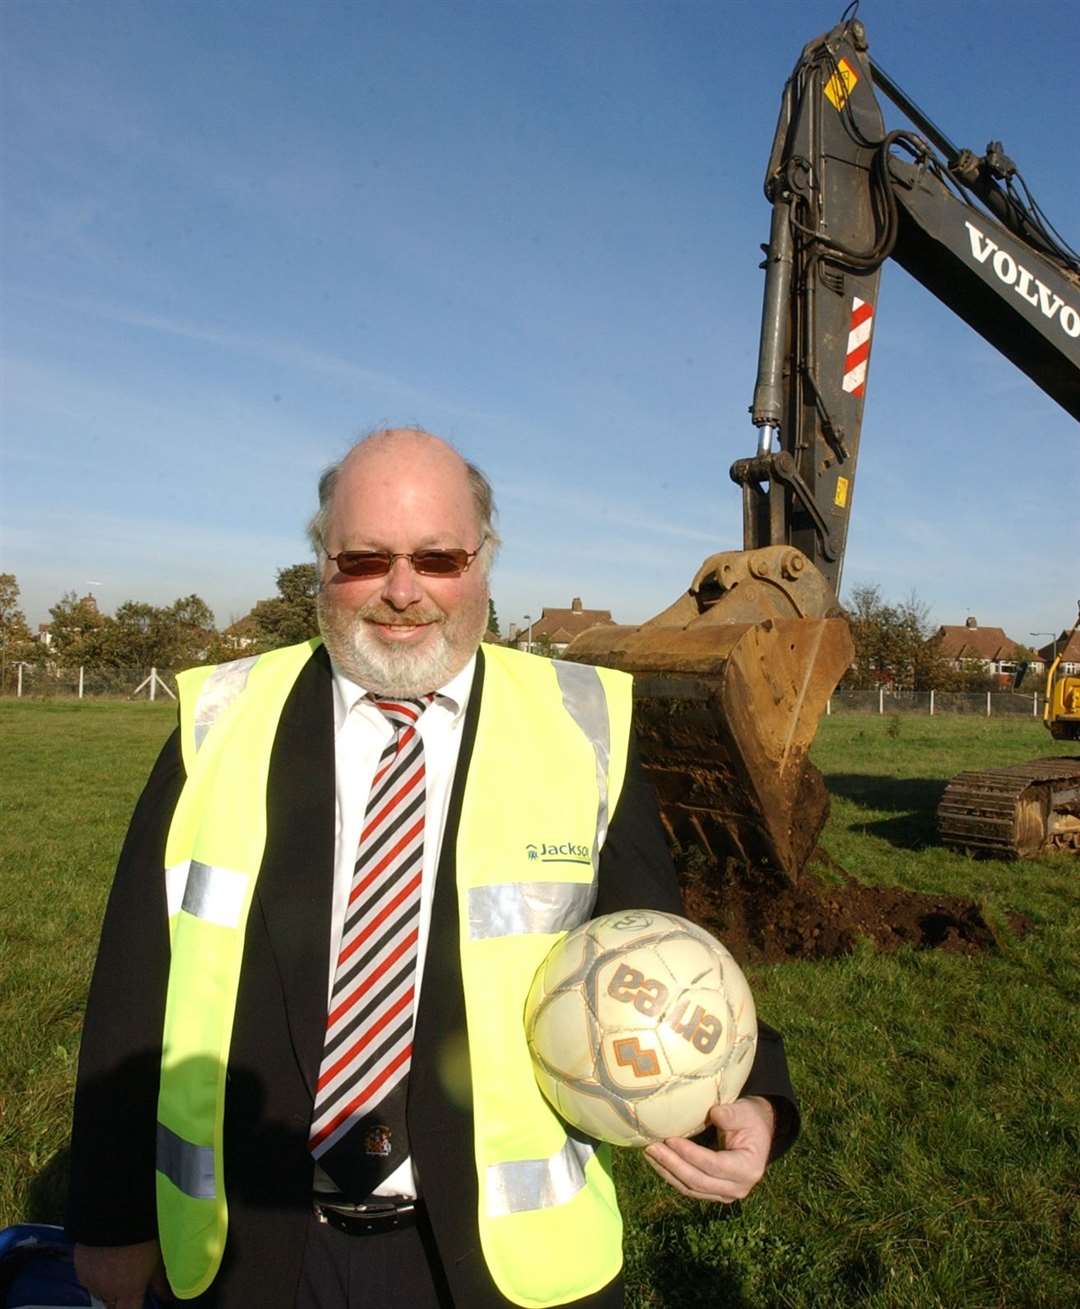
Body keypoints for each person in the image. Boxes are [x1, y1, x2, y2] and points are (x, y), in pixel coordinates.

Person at [67, 428, 799, 1309]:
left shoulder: (586, 726)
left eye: (438, 557)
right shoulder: (217, 722)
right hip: (255, 1254)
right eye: (364, 558)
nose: (402, 591)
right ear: (320, 565)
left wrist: (756, 1095)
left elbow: (663, 949)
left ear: (484, 560)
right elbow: (131, 989)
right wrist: (111, 1222)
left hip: (501, 1269)